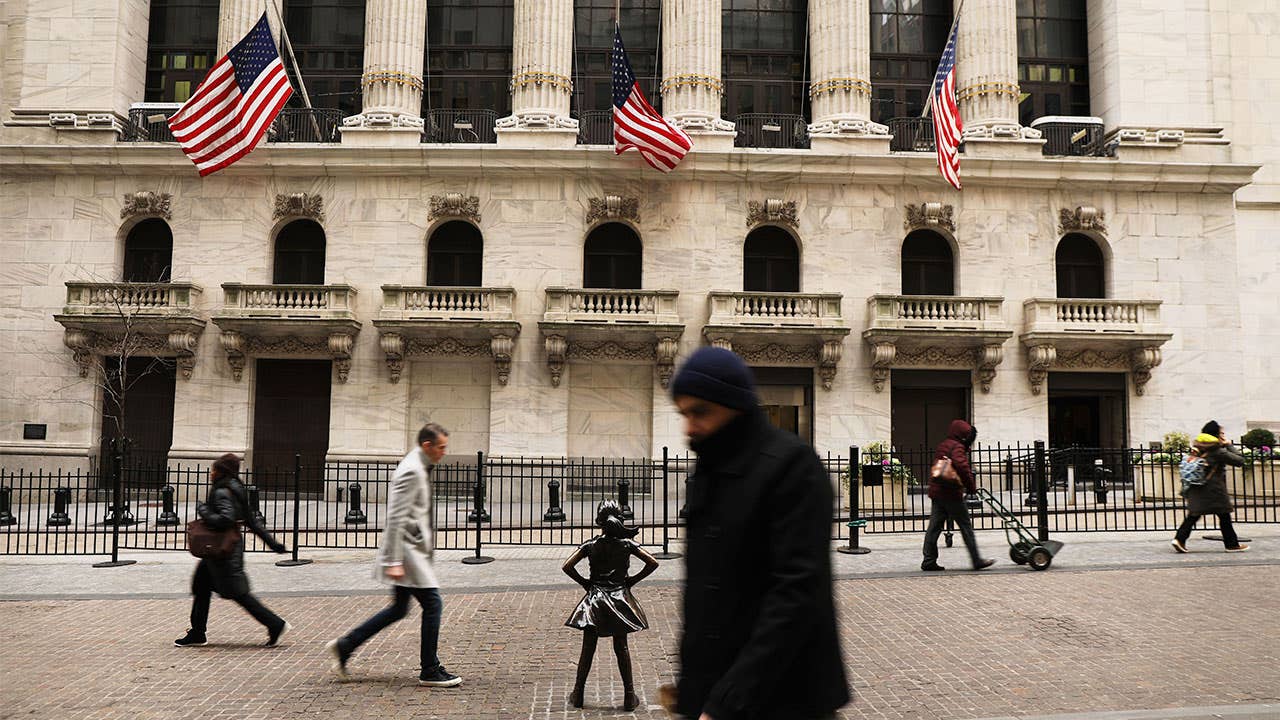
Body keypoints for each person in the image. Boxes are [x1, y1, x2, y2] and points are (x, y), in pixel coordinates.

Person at [669, 346, 849, 720]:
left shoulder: (793, 466)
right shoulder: (709, 470)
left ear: (733, 405)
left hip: (785, 696)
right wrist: (693, 690)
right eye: (683, 413)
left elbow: (796, 593)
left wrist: (725, 702)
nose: (689, 427)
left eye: (700, 412)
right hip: (718, 692)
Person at [325, 423, 462, 687]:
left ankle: (345, 646)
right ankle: (430, 670)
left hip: (411, 550)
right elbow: (396, 518)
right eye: (442, 447)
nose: (445, 452)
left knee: (399, 609)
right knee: (433, 605)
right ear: (427, 446)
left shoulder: (417, 464)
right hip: (407, 553)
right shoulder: (411, 470)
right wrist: (395, 561)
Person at [174, 453, 291, 647]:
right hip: (224, 549)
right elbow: (252, 522)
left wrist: (203, 510)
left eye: (214, 469)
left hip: (222, 550)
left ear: (221, 471)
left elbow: (225, 519)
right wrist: (273, 544)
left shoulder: (222, 491)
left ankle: (275, 624)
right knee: (201, 586)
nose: (211, 473)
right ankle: (197, 632)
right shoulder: (237, 489)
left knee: (238, 593)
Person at [562, 499, 660, 711]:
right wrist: (631, 580)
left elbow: (567, 566)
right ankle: (629, 695)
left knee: (588, 647)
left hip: (595, 599)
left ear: (599, 521)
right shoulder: (626, 544)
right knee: (621, 647)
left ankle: (578, 693)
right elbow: (653, 562)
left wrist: (586, 584)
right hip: (618, 598)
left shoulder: (591, 545)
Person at [921, 419, 995, 572]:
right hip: (951, 493)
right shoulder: (957, 447)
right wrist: (971, 486)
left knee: (934, 527)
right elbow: (961, 466)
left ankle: (928, 560)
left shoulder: (944, 444)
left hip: (938, 491)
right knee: (965, 526)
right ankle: (976, 560)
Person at [1172, 421, 1249, 553]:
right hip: (1213, 490)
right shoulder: (1217, 450)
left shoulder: (1197, 446)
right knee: (1224, 515)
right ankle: (1232, 545)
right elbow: (1240, 460)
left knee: (1194, 515)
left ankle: (1179, 539)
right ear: (1215, 434)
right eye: (1221, 433)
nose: (1223, 436)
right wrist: (1229, 445)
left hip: (1195, 487)